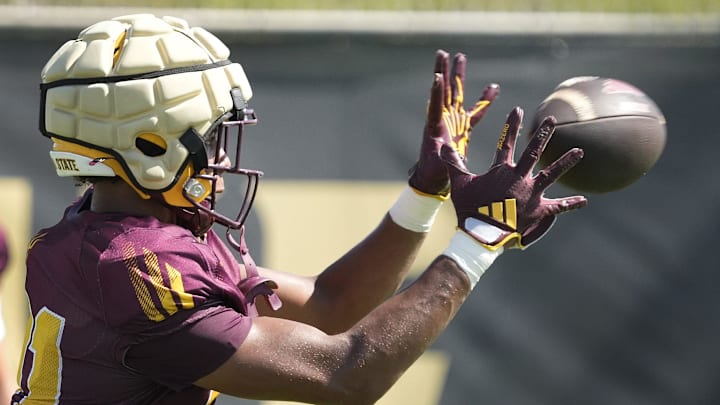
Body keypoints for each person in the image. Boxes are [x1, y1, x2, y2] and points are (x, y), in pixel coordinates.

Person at [13, 14, 587, 405]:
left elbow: (331, 306)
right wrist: (479, 239)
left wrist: (423, 192)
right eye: (212, 136)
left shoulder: (128, 234)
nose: (221, 154)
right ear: (150, 147)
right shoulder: (133, 265)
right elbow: (344, 375)